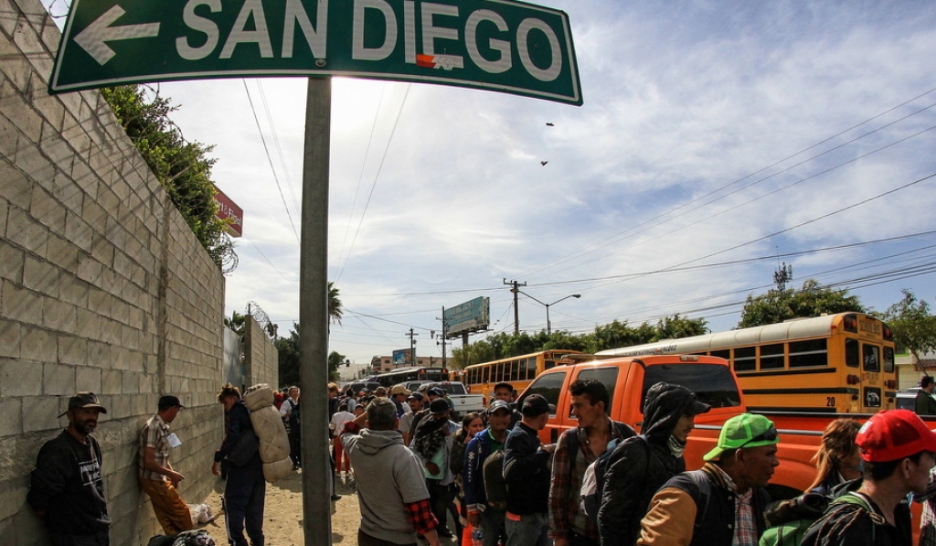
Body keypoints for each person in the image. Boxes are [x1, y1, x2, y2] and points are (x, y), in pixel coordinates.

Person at [637, 413, 779, 546]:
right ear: (741, 457)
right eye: (769, 454)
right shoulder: (684, 494)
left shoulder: (760, 497)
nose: (775, 462)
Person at [598, 382, 711, 546]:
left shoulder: (675, 456)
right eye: (686, 417)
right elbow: (612, 518)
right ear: (667, 416)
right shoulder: (634, 452)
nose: (691, 425)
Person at [803, 409, 936, 546]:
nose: (932, 464)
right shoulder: (851, 529)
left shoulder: (897, 510)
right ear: (907, 466)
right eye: (931, 457)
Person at [340, 397, 443, 546]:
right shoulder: (404, 457)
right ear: (396, 423)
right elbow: (419, 510)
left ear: (367, 423)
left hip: (367, 535)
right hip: (398, 539)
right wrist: (435, 543)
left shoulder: (355, 447)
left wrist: (371, 411)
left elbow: (346, 430)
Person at [549, 379, 636, 546]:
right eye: (573, 406)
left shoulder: (626, 436)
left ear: (599, 407)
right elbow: (558, 492)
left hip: (617, 534)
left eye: (579, 406)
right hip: (581, 534)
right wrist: (560, 536)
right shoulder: (570, 439)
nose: (574, 412)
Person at [28, 392, 111, 546]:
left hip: (98, 531)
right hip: (74, 537)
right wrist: (63, 524)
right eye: (86, 412)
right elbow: (39, 498)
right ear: (70, 415)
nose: (92, 417)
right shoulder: (58, 450)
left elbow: (96, 487)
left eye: (95, 413)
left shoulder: (92, 443)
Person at [212, 384, 265, 546]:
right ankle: (257, 540)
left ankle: (238, 541)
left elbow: (233, 435)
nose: (225, 407)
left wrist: (219, 457)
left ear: (231, 398)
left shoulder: (237, 411)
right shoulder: (253, 411)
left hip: (241, 466)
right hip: (258, 466)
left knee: (233, 504)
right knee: (254, 507)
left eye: (225, 403)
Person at [503, 394, 556, 546]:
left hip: (538, 513)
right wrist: (543, 453)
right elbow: (510, 471)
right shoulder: (518, 436)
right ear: (543, 416)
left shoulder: (529, 434)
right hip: (523, 517)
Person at [138, 395, 194, 535]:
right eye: (177, 411)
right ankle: (190, 539)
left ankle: (176, 540)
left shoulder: (162, 427)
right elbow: (149, 461)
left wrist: (171, 473)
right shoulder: (153, 427)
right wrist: (170, 474)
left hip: (160, 477)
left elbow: (161, 455)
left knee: (166, 519)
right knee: (182, 512)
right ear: (172, 409)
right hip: (154, 479)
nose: (176, 415)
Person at [465, 400, 518, 546]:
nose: (501, 419)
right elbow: (469, 478)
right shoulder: (477, 443)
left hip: (511, 507)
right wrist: (472, 510)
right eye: (496, 415)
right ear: (488, 417)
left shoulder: (515, 440)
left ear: (510, 418)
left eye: (504, 415)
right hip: (487, 509)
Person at [412, 398, 460, 538]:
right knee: (428, 505)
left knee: (446, 505)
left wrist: (448, 436)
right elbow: (413, 449)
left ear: (448, 412)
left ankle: (442, 528)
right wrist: (426, 463)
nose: (438, 418)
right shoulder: (424, 427)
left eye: (441, 414)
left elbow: (457, 451)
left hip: (448, 476)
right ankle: (426, 532)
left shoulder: (455, 429)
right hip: (427, 475)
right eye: (435, 415)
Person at [806, 418, 863, 495]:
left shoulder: (875, 486)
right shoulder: (822, 496)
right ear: (841, 453)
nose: (868, 453)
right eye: (861, 448)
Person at [452, 412, 484, 544]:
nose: (478, 429)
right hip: (464, 494)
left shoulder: (485, 441)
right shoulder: (459, 442)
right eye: (474, 426)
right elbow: (454, 467)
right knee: (468, 529)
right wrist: (466, 447)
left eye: (481, 425)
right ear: (466, 428)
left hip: (483, 495)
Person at [330, 402, 355, 476]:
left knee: (338, 454)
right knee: (347, 455)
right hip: (348, 436)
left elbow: (332, 426)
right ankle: (347, 471)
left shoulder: (335, 415)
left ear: (339, 409)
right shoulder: (352, 416)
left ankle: (338, 471)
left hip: (338, 436)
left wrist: (333, 434)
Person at [279, 386, 301, 469]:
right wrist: (291, 415)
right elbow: (281, 413)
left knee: (299, 445)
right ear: (289, 394)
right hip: (291, 428)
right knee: (292, 445)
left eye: (296, 392)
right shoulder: (287, 402)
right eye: (293, 392)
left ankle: (300, 461)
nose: (295, 393)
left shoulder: (299, 401)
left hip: (299, 427)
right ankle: (293, 463)